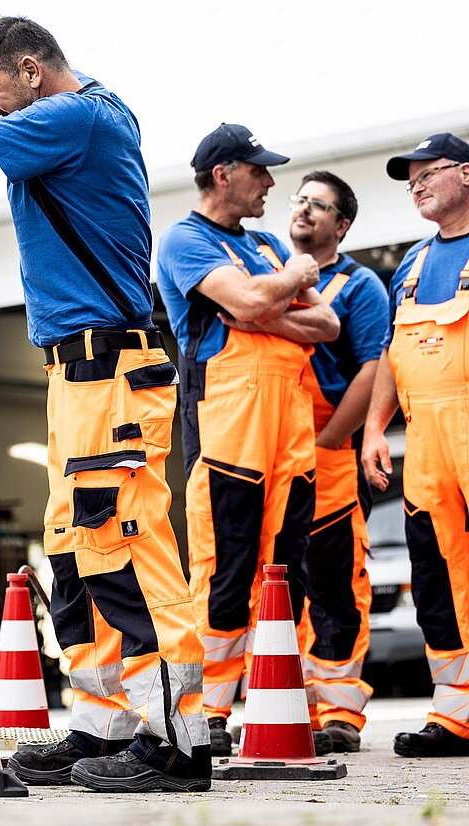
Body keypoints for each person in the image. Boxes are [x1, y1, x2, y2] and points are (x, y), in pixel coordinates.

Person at [0, 4, 212, 793]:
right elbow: (10, 39)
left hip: (111, 373)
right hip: (77, 374)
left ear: (31, 74)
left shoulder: (76, 116)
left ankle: (176, 743)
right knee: (73, 547)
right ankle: (103, 721)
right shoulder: (65, 104)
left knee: (125, 544)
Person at [156, 124, 340, 757]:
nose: (269, 183)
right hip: (227, 418)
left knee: (283, 563)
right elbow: (246, 299)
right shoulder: (184, 239)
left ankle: (273, 700)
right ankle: (206, 708)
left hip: (288, 415)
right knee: (225, 566)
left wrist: (267, 309)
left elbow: (327, 323)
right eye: (259, 171)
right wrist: (286, 284)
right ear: (223, 174)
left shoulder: (263, 244)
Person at [362, 132, 469, 758]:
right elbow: (388, 354)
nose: (417, 183)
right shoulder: (412, 263)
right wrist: (377, 427)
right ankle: (456, 717)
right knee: (433, 577)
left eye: (430, 171)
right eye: (411, 177)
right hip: (426, 438)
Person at [288, 171, 389, 752]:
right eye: (300, 199)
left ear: (341, 225)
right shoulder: (273, 272)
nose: (303, 210)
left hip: (328, 450)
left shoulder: (358, 287)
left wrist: (330, 443)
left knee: (334, 584)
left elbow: (372, 370)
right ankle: (292, 702)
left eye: (319, 205)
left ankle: (339, 715)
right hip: (276, 451)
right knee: (282, 584)